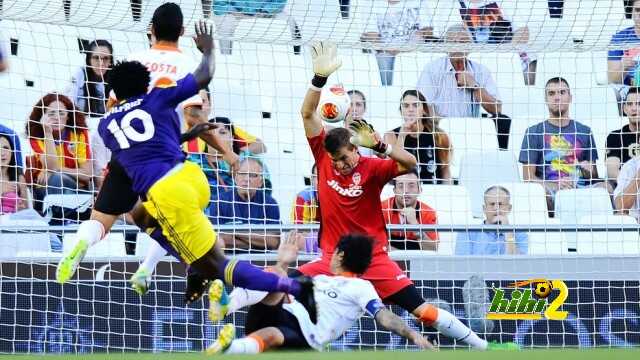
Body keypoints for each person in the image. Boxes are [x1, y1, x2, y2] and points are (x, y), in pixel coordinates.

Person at [59, 21, 318, 323]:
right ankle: (192, 270)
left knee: (216, 265)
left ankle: (295, 286)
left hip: (168, 192)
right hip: (191, 176)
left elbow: (133, 152)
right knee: (144, 215)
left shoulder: (105, 125)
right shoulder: (158, 97)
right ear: (145, 84)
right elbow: (203, 76)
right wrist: (208, 49)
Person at [266, 40, 516, 351]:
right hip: (331, 260)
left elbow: (411, 164)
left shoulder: (373, 168)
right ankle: (265, 343)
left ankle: (484, 348)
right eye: (335, 162)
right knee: (278, 289)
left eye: (345, 159)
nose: (340, 166)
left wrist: (382, 146)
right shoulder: (323, 156)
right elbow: (307, 114)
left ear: (356, 149)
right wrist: (319, 80)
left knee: (423, 311)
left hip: (374, 258)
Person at [57, 2, 239, 295]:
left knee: (106, 218)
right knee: (173, 221)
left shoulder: (134, 60)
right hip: (165, 161)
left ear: (150, 29)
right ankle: (151, 268)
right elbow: (193, 115)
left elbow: (112, 108)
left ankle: (85, 242)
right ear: (182, 31)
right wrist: (228, 153)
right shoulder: (184, 64)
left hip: (126, 153)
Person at [206, 233, 433, 354]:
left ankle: (228, 349)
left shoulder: (361, 287)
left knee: (272, 334)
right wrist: (283, 262)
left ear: (340, 256)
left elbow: (383, 315)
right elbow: (276, 285)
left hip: (305, 336)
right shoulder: (320, 278)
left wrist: (413, 335)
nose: (329, 255)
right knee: (275, 273)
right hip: (281, 314)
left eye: (332, 252)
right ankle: (226, 306)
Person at [519, 77, 610, 212]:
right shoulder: (533, 132)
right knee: (541, 195)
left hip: (581, 189)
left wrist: (586, 170)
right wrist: (556, 185)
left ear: (570, 97)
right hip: (550, 190)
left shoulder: (584, 131)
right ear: (546, 99)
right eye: (552, 94)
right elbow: (528, 178)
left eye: (562, 92)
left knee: (607, 187)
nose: (557, 97)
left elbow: (593, 175)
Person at [25, 93, 93, 211]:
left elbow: (87, 174)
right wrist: (47, 132)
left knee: (56, 177)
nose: (56, 117)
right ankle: (62, 217)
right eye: (51, 113)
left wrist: (54, 170)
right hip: (44, 190)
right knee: (56, 179)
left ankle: (62, 217)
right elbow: (51, 165)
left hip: (76, 188)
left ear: (68, 116)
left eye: (61, 113)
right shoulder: (37, 136)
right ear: (43, 117)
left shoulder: (79, 134)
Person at [417, 25, 501, 118]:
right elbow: (422, 105)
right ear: (445, 47)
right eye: (453, 42)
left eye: (462, 42)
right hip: (439, 127)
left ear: (470, 47)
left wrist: (474, 86)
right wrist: (445, 125)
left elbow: (497, 109)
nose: (458, 46)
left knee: (503, 120)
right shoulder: (432, 69)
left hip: (472, 127)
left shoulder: (481, 71)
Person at [209, 158, 281, 251]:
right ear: (235, 178)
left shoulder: (270, 203)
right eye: (242, 174)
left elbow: (273, 242)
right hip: (229, 259)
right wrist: (257, 242)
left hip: (261, 261)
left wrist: (233, 230)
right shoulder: (219, 201)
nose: (246, 179)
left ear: (261, 182)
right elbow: (220, 240)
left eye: (252, 175)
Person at [360, 0, 435, 86]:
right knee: (383, 58)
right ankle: (387, 91)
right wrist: (392, 49)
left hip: (414, 50)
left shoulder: (418, 2)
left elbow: (428, 32)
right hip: (385, 51)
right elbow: (372, 38)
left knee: (418, 57)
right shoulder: (370, 4)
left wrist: (405, 49)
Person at [383, 90, 451, 184]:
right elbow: (392, 170)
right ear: (401, 111)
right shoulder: (390, 136)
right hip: (404, 192)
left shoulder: (439, 135)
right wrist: (402, 136)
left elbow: (445, 171)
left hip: (434, 190)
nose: (410, 109)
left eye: (415, 105)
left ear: (424, 110)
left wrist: (448, 192)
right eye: (406, 106)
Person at [455, 185, 528, 255]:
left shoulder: (520, 234)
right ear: (484, 208)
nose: (496, 208)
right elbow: (462, 264)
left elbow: (518, 264)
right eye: (492, 204)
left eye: (500, 204)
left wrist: (508, 231)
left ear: (509, 208)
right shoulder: (467, 232)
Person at [381, 170, 438, 251]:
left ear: (419, 190)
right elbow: (374, 245)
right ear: (394, 190)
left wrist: (415, 225)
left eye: (411, 186)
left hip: (417, 262)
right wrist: (403, 258)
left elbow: (433, 250)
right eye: (401, 186)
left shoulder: (428, 213)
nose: (406, 191)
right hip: (388, 260)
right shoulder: (381, 209)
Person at [66, 40, 113, 117]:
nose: (101, 63)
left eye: (106, 58)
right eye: (96, 58)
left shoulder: (116, 77)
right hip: (83, 124)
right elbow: (68, 104)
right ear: (89, 60)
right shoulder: (80, 74)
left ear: (110, 61)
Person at [606, 86, 640, 188]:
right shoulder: (615, 136)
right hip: (625, 190)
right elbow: (612, 172)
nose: (634, 108)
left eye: (639, 104)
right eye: (630, 104)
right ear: (624, 109)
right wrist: (634, 186)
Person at [607, 0, 640, 85]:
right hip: (632, 89)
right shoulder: (619, 38)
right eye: (637, 10)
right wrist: (624, 67)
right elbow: (612, 79)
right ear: (631, 12)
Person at [0, 134, 29, 214]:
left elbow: (26, 210)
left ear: (12, 152)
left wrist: (20, 208)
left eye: (5, 148)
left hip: (14, 222)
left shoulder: (19, 177)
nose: (2, 153)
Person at [614, 156, 640, 221]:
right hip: (636, 222)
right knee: (619, 216)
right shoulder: (630, 166)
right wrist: (638, 177)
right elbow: (620, 207)